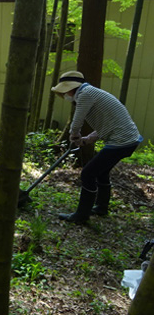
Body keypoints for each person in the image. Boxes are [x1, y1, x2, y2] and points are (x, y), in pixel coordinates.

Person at [51, 71, 142, 224]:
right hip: (128, 140)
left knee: (87, 173)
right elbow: (105, 125)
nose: (65, 95)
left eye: (65, 90)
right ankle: (101, 207)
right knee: (101, 171)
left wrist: (74, 135)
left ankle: (82, 215)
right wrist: (87, 140)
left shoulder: (85, 94)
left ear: (72, 88)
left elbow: (77, 121)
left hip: (121, 141)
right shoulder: (93, 93)